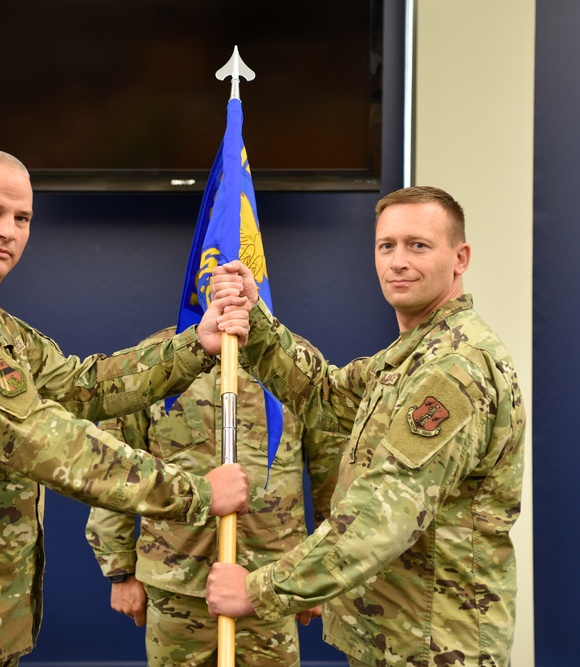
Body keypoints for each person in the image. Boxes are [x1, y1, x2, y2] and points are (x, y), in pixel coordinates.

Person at [0, 149, 252, 667]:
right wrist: (195, 491)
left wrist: (197, 343)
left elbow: (83, 387)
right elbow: (45, 441)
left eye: (22, 218)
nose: (7, 231)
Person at [205, 186, 526, 667]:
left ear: (460, 258)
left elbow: (384, 515)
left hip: (434, 645)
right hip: (395, 636)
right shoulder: (412, 354)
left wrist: (259, 589)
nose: (397, 261)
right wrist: (256, 323)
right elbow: (326, 396)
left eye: (418, 245)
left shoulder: (453, 369)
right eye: (386, 246)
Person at [85, 327, 346, 667]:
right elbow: (116, 467)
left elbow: (334, 475)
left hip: (271, 582)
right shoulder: (155, 358)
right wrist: (118, 570)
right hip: (176, 581)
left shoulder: (292, 359)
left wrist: (317, 575)